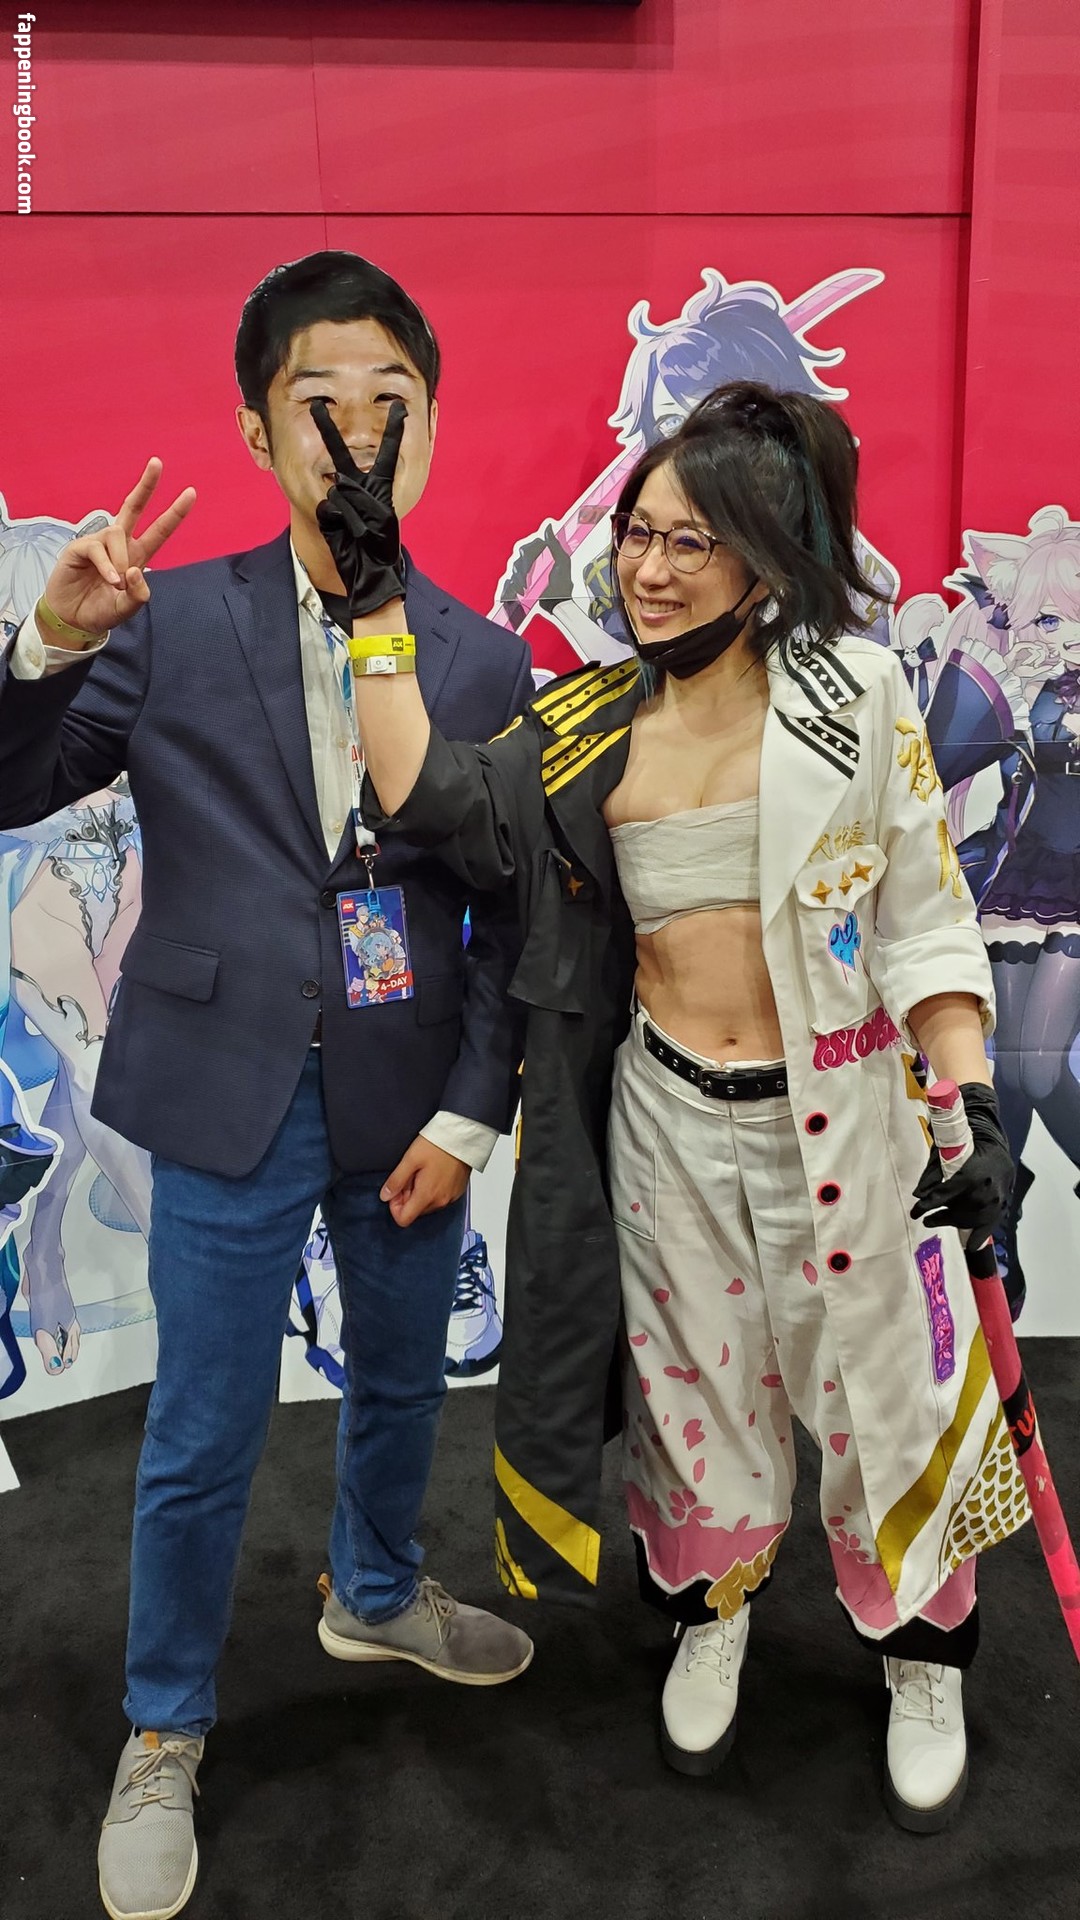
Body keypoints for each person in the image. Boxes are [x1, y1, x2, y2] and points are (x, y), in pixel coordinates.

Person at [337, 379, 1026, 1833]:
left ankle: (921, 1652)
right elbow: (423, 792)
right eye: (636, 535)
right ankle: (712, 1615)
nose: (647, 570)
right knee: (699, 1396)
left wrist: (968, 1097)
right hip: (668, 1128)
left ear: (765, 561)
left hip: (853, 1125)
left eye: (689, 542)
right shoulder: (589, 724)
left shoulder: (858, 695)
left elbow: (924, 923)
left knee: (887, 1398)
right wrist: (376, 605)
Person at [0, 250, 534, 1920]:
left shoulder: (481, 658)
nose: (359, 436)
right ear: (257, 430)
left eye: (393, 403)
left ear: (431, 425)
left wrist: (471, 1109)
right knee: (203, 1428)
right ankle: (163, 1726)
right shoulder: (168, 624)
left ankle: (373, 1590)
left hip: (407, 1100)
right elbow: (13, 784)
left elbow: (508, 918)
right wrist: (46, 641)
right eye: (323, 406)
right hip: (226, 1087)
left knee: (402, 1380)